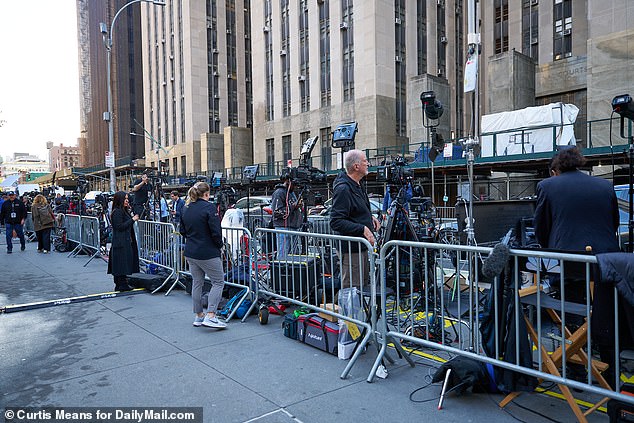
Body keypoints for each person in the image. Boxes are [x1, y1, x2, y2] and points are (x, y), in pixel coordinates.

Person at [533, 147, 620, 382]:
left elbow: (541, 228)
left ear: (555, 170)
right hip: (606, 261)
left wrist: (550, 249)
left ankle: (577, 371)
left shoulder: (547, 186)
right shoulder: (604, 185)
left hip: (568, 262)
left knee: (570, 314)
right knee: (605, 316)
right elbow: (613, 223)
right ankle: (611, 373)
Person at [330, 149, 381, 288]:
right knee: (352, 288)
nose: (368, 163)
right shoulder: (343, 189)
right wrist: (363, 229)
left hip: (361, 247)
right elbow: (336, 221)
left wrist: (369, 218)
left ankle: (357, 310)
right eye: (365, 161)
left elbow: (354, 210)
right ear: (356, 166)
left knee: (362, 285)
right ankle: (348, 311)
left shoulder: (357, 184)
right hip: (351, 250)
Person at [179, 182, 227, 329]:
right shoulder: (209, 207)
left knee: (197, 282)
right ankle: (211, 315)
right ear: (206, 194)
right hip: (207, 251)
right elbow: (216, 232)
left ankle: (199, 315)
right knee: (218, 282)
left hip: (191, 251)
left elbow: (182, 230)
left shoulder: (185, 208)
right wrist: (220, 246)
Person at [107, 191, 140, 292]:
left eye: (127, 199)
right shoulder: (117, 212)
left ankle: (121, 283)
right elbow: (119, 226)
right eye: (125, 199)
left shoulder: (122, 210)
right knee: (121, 263)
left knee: (123, 262)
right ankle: (121, 284)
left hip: (124, 240)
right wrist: (132, 220)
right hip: (120, 241)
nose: (127, 201)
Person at [270, 175, 303, 259]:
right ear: (288, 182)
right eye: (293, 184)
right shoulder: (279, 192)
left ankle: (291, 271)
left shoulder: (291, 193)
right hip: (283, 228)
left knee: (293, 256)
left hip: (293, 227)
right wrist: (294, 206)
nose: (295, 187)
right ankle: (282, 270)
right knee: (283, 255)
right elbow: (277, 212)